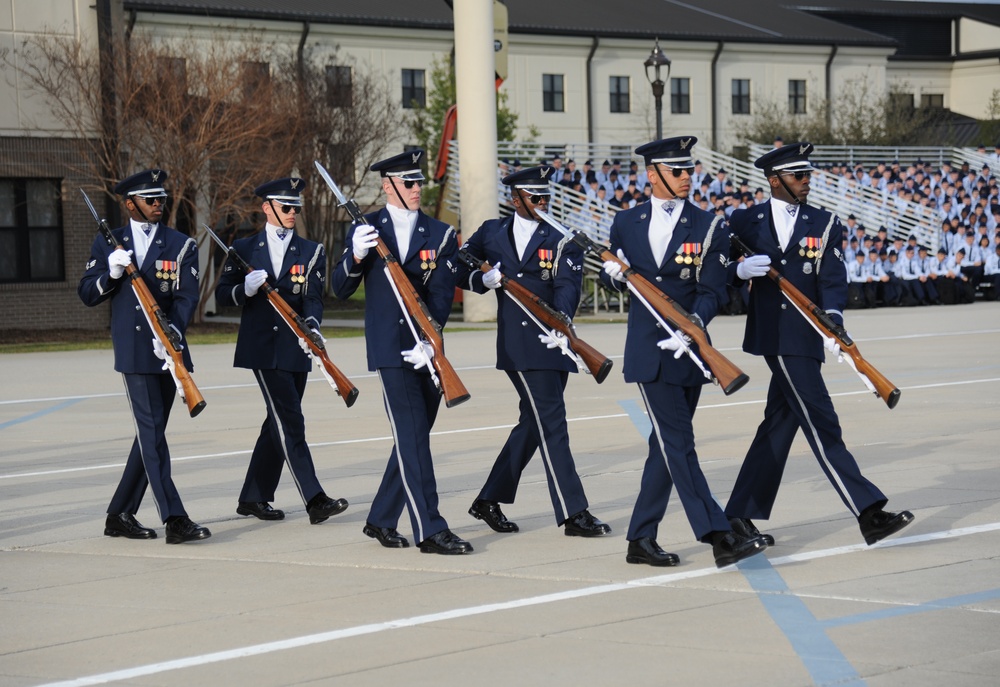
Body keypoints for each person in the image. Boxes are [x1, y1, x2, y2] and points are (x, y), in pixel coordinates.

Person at [724, 142, 914, 547]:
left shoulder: (825, 223)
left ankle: (739, 515)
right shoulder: (744, 221)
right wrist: (740, 270)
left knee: (779, 424)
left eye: (808, 175)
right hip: (776, 335)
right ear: (775, 180)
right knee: (820, 420)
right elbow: (720, 270)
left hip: (810, 333)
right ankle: (868, 512)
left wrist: (835, 321)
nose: (806, 181)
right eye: (798, 176)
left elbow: (833, 278)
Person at [599, 136, 768, 568]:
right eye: (677, 171)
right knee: (679, 442)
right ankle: (717, 534)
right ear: (652, 175)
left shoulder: (709, 225)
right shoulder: (626, 223)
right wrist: (613, 276)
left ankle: (640, 538)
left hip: (689, 351)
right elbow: (618, 281)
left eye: (689, 169)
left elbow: (713, 291)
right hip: (647, 352)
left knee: (666, 447)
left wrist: (693, 326)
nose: (687, 177)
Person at [456, 165, 611, 539]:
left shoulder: (562, 237)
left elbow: (568, 286)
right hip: (518, 345)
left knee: (534, 423)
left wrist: (562, 325)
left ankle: (488, 499)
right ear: (516, 199)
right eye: (535, 197)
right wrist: (481, 279)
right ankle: (574, 512)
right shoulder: (492, 232)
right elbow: (459, 265)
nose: (543, 202)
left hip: (553, 341)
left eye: (547, 197)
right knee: (553, 422)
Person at [331, 150, 472, 555]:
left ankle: (380, 519)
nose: (416, 189)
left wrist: (431, 342)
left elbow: (442, 295)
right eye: (407, 183)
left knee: (413, 437)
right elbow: (340, 289)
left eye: (418, 182)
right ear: (386, 185)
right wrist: (355, 255)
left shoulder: (440, 233)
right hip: (390, 350)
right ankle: (431, 528)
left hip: (426, 349)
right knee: (414, 439)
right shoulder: (367, 229)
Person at [78, 169, 210, 545]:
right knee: (151, 433)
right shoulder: (111, 243)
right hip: (135, 351)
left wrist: (172, 331)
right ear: (129, 203)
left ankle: (119, 514)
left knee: (149, 436)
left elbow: (186, 297)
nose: (158, 206)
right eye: (150, 200)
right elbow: (87, 292)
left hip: (168, 351)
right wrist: (112, 274)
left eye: (161, 200)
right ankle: (175, 517)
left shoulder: (181, 244)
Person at [215, 177, 349, 526]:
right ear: (267, 208)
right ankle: (315, 498)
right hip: (261, 348)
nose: (292, 213)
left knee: (276, 423)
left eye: (296, 208)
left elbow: (313, 299)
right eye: (285, 207)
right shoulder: (243, 249)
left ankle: (253, 496)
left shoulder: (312, 251)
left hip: (296, 346)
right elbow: (222, 295)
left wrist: (314, 329)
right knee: (290, 420)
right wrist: (244, 289)